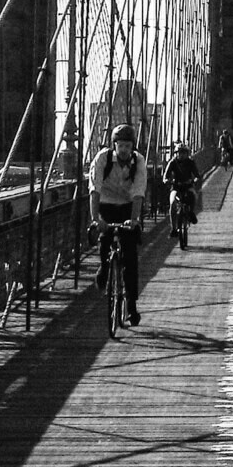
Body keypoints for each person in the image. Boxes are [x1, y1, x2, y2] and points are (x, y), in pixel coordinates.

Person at [89, 122, 146, 326]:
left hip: (127, 207)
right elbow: (94, 190)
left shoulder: (138, 161)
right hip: (105, 204)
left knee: (130, 257)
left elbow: (138, 193)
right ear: (114, 145)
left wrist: (134, 219)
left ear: (132, 147)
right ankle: (104, 268)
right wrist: (96, 219)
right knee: (105, 240)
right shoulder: (102, 159)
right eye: (120, 145)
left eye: (127, 146)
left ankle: (131, 305)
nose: (123, 150)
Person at [163, 141, 203, 233]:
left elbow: (197, 175)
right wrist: (166, 180)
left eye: (184, 153)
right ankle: (173, 228)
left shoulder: (191, 162)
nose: (182, 155)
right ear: (176, 153)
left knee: (193, 196)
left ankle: (191, 212)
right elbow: (166, 175)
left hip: (187, 186)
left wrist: (194, 180)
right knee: (172, 203)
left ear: (187, 154)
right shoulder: (173, 162)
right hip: (176, 187)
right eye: (180, 153)